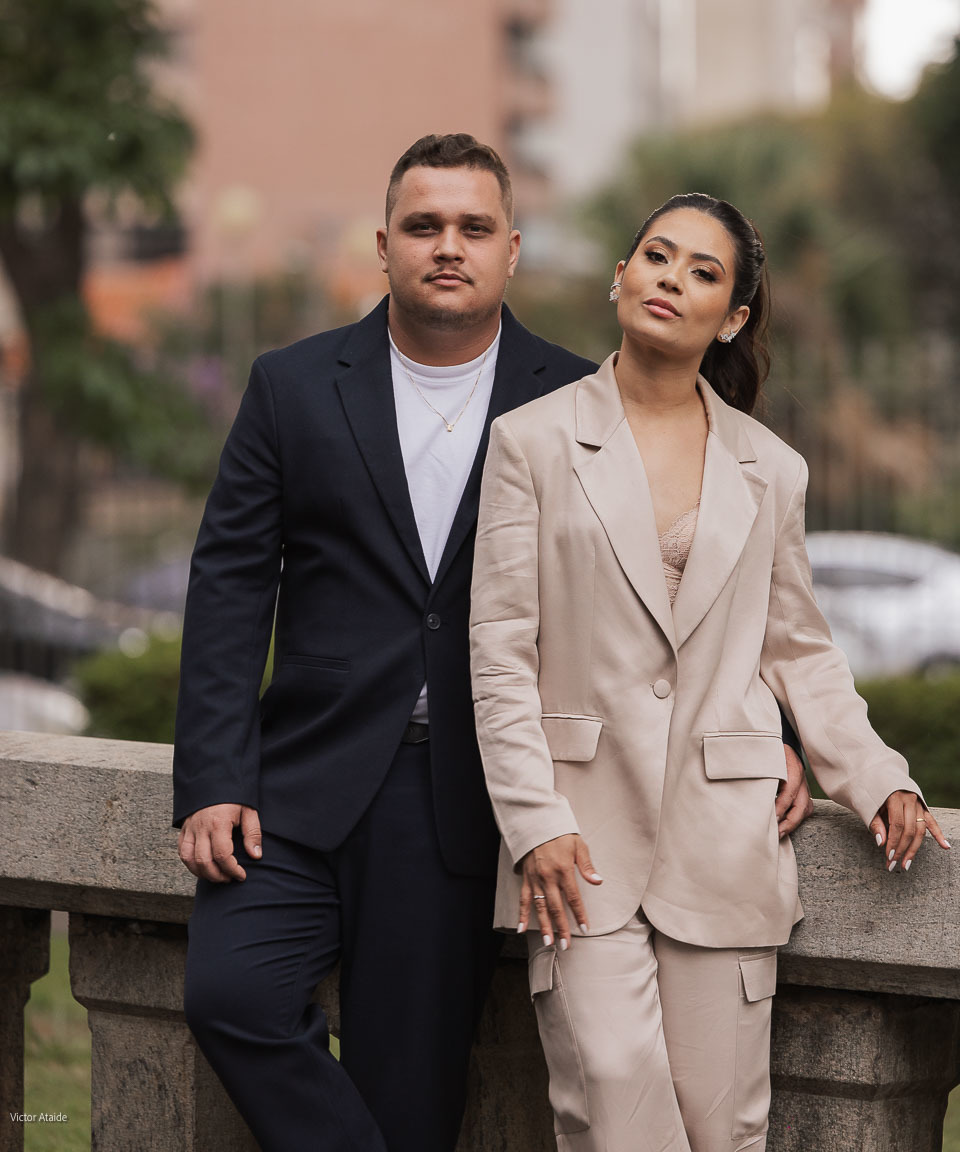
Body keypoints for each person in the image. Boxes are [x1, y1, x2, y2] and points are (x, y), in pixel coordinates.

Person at [173, 141, 810, 1152]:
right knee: (229, 998)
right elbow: (228, 587)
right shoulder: (290, 386)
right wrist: (212, 774)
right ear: (385, 246)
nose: (447, 248)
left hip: (466, 803)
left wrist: (771, 730)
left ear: (512, 251)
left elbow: (683, 591)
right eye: (424, 227)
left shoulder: (575, 402)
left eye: (473, 229)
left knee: (414, 1093)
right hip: (296, 785)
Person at [469, 192, 950, 1152]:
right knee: (610, 1100)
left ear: (730, 317)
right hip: (577, 845)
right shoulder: (532, 443)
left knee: (721, 1128)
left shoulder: (772, 469)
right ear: (621, 274)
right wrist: (533, 823)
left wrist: (877, 774)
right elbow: (499, 652)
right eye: (657, 256)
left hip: (724, 839)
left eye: (702, 272)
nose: (670, 280)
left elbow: (799, 650)